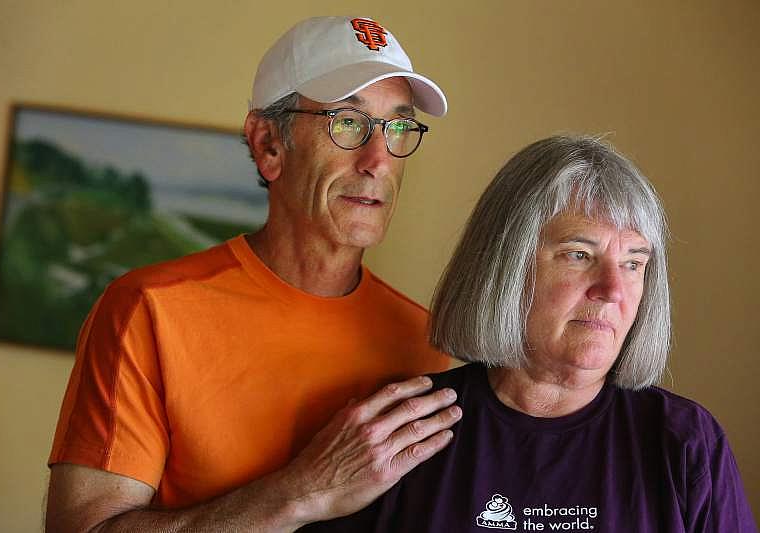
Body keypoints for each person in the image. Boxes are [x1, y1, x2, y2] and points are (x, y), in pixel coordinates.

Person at [45, 16, 463, 532]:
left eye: (398, 127)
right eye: (347, 123)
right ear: (268, 144)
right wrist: (298, 494)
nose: (377, 160)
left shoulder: (426, 345)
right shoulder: (148, 309)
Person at [307, 135, 758, 532]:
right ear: (504, 265)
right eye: (579, 255)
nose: (613, 290)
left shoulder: (684, 440)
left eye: (633, 264)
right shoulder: (399, 431)